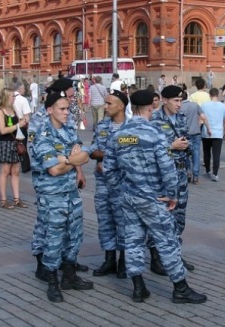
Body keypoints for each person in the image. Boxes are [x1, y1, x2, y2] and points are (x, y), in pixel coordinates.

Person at [103, 89, 207, 304]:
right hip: (153, 198)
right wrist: (171, 195)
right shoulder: (154, 134)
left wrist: (121, 189)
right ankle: (180, 288)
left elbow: (109, 169)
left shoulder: (119, 135)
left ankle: (138, 288)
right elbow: (168, 169)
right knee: (167, 242)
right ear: (151, 106)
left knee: (133, 242)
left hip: (129, 197)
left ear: (131, 107)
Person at [30, 91, 93, 303]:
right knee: (54, 239)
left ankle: (69, 275)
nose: (67, 113)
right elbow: (54, 171)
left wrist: (67, 160)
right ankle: (52, 282)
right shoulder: (42, 135)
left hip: (71, 193)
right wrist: (73, 159)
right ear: (50, 110)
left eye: (68, 109)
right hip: (52, 196)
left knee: (74, 235)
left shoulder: (68, 131)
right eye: (62, 109)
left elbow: (85, 155)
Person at [151, 85, 194, 273]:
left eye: (181, 101)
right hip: (162, 177)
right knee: (161, 218)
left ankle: (174, 256)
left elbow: (186, 140)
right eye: (176, 101)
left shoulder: (182, 118)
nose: (179, 105)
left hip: (181, 176)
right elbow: (149, 151)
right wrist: (171, 146)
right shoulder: (153, 120)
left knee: (179, 218)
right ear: (164, 100)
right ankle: (156, 258)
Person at [89, 89, 128, 279]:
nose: (105, 107)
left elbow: (130, 155)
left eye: (109, 103)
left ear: (121, 106)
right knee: (105, 221)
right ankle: (109, 259)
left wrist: (107, 157)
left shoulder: (130, 128)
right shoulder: (102, 125)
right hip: (103, 183)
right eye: (105, 103)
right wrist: (111, 155)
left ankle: (124, 261)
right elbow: (92, 151)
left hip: (123, 184)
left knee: (124, 222)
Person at [0, 88, 29, 209]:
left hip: (15, 143)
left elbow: (16, 123)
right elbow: (2, 130)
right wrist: (18, 125)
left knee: (15, 171)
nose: (14, 98)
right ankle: (3, 200)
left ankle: (16, 199)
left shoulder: (13, 109)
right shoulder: (0, 111)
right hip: (5, 143)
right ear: (6, 97)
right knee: (5, 172)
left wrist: (23, 122)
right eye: (12, 96)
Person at [180, 91, 211, 185]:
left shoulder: (179, 107)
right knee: (196, 154)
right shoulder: (195, 105)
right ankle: (196, 175)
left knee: (185, 154)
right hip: (196, 132)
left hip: (185, 134)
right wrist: (208, 128)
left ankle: (188, 172)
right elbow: (203, 117)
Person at [201, 88, 225, 181]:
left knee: (206, 153)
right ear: (218, 95)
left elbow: (201, 118)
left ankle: (207, 170)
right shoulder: (223, 106)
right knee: (216, 154)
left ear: (210, 95)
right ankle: (215, 173)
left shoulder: (204, 105)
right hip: (218, 133)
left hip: (206, 132)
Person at [13, 82, 32, 172]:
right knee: (22, 146)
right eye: (23, 88)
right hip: (21, 125)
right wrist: (26, 124)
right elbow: (26, 115)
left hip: (11, 125)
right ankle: (25, 166)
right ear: (20, 89)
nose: (24, 90)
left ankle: (11, 165)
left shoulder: (9, 99)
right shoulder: (23, 100)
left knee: (12, 145)